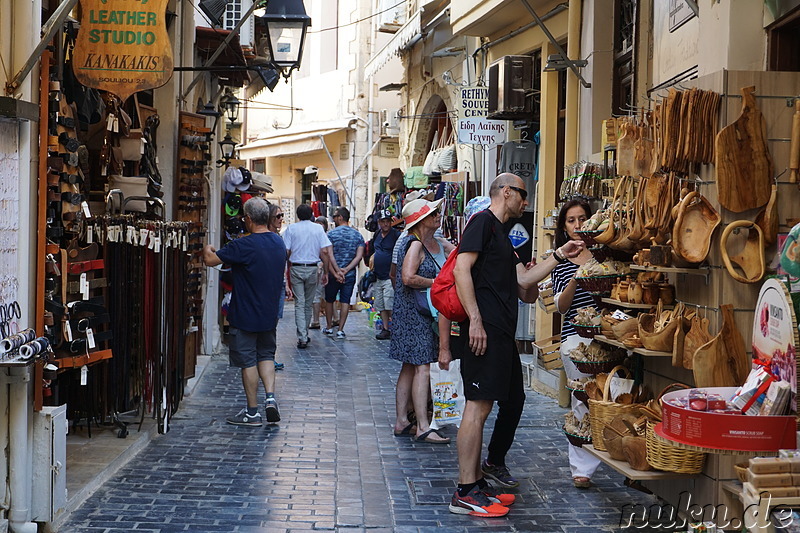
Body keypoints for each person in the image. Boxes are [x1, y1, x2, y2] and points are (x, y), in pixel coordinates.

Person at [447, 174, 585, 517]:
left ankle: (477, 482)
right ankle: (464, 491)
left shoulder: (502, 235)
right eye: (523, 195)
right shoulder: (482, 222)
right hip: (485, 331)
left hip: (501, 333)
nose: (526, 203)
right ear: (506, 192)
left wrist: (559, 254)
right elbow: (461, 270)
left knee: (497, 403)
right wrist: (475, 320)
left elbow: (523, 280)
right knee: (476, 407)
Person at [202, 197, 285, 426]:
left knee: (248, 361)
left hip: (245, 313)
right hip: (268, 314)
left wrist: (207, 246)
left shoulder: (243, 245)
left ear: (248, 219)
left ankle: (252, 412)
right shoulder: (278, 242)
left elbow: (210, 260)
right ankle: (270, 398)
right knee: (266, 355)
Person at [390, 198, 455, 443]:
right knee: (422, 366)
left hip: (420, 311)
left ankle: (402, 421)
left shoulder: (437, 242)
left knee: (409, 366)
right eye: (434, 213)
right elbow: (407, 277)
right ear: (421, 220)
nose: (439, 216)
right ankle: (423, 426)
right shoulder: (414, 245)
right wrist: (439, 283)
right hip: (414, 312)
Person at [550, 198, 601, 489]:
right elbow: (561, 307)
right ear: (564, 226)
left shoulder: (604, 254)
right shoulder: (560, 260)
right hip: (575, 340)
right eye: (571, 220)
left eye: (582, 218)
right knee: (582, 400)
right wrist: (578, 278)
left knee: (609, 399)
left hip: (607, 337)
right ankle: (581, 467)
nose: (578, 225)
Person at [283, 204, 340, 349]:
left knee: (299, 303)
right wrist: (326, 272)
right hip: (312, 268)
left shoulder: (291, 229)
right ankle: (304, 333)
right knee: (308, 303)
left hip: (296, 268)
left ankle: (302, 335)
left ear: (297, 215)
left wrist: (284, 270)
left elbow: (287, 252)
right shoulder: (318, 229)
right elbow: (325, 252)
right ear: (311, 215)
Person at [322, 207, 364, 339]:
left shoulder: (331, 234)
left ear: (340, 217)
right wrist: (347, 269)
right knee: (345, 301)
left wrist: (337, 271)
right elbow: (359, 256)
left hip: (333, 273)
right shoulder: (357, 235)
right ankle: (340, 329)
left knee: (330, 300)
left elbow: (329, 254)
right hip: (349, 274)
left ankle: (329, 327)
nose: (333, 219)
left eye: (335, 216)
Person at [267, 204, 292, 371]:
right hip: (270, 285)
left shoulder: (279, 238)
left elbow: (282, 264)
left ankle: (269, 356)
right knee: (269, 321)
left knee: (274, 321)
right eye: (278, 216)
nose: (281, 219)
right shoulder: (267, 237)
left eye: (282, 215)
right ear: (269, 218)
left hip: (280, 284)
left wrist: (287, 284)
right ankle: (266, 357)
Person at [370, 209, 400, 340]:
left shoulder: (396, 235)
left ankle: (397, 328)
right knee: (381, 304)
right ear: (379, 222)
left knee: (389, 303)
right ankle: (386, 328)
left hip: (389, 275)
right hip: (378, 276)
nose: (386, 224)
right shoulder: (377, 234)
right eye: (383, 221)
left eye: (388, 221)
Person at [310, 216, 330, 330]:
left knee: (318, 295)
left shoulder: (321, 237)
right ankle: (333, 318)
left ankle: (316, 320)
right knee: (326, 295)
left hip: (321, 267)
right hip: (325, 267)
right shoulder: (325, 236)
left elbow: (325, 253)